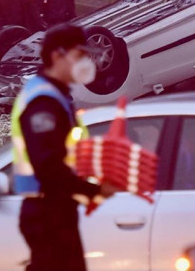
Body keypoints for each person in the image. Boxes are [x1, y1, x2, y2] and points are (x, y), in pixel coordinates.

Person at [11, 23, 118, 271]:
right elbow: (48, 167)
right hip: (48, 212)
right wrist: (94, 190)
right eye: (80, 55)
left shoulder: (53, 95)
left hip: (55, 210)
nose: (86, 62)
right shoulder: (43, 102)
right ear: (57, 55)